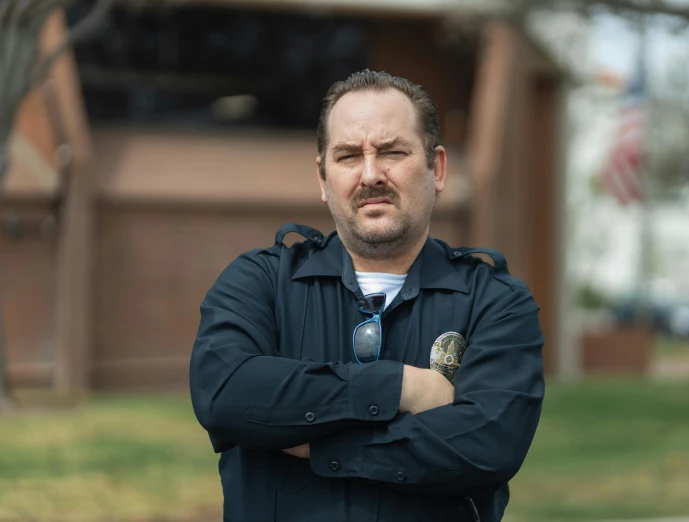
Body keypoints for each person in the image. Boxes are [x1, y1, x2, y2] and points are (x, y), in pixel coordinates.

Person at [190, 70, 545, 522]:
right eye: (348, 156)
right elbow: (224, 395)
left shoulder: (495, 301)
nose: (371, 174)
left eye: (392, 152)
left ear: (436, 168)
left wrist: (318, 441)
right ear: (322, 178)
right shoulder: (261, 282)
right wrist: (402, 386)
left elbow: (488, 445)